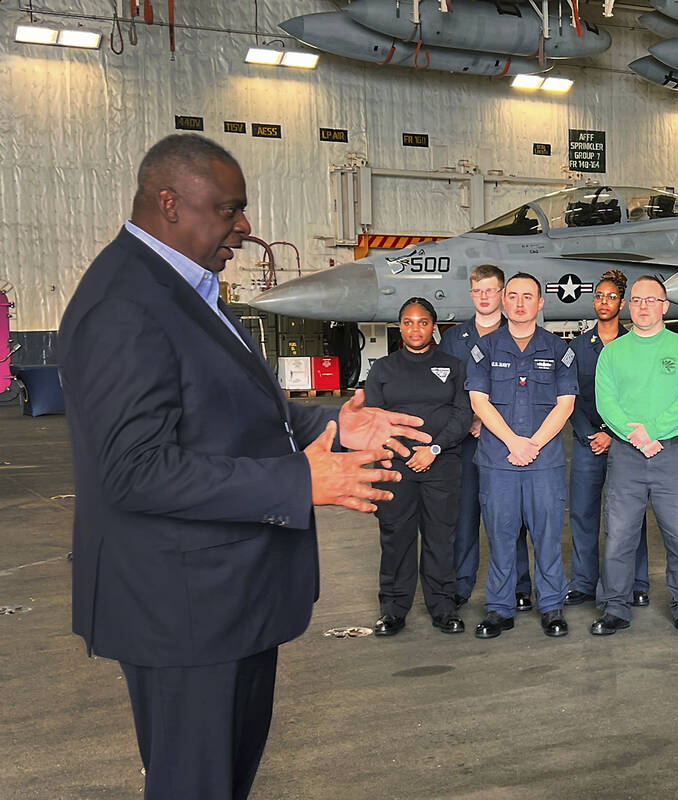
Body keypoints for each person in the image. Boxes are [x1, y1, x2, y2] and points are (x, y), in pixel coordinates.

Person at [58, 134, 427, 800]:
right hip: (184, 612)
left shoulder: (185, 289)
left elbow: (237, 413)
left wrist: (335, 424)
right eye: (228, 210)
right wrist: (299, 481)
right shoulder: (125, 304)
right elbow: (135, 469)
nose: (245, 226)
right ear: (169, 204)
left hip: (224, 600)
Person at [591, 276, 678, 638]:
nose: (643, 306)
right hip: (626, 457)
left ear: (665, 306)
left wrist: (651, 431)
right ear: (629, 305)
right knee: (619, 535)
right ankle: (615, 607)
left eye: (651, 300)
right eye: (637, 300)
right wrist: (635, 436)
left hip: (672, 455)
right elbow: (605, 402)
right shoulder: (613, 352)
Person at [466, 273, 577, 639]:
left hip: (543, 462)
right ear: (503, 299)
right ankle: (500, 608)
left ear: (541, 302)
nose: (518, 303)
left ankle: (551, 606)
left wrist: (532, 445)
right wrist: (514, 441)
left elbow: (565, 405)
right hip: (499, 461)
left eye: (527, 296)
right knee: (500, 535)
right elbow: (478, 401)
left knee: (546, 535)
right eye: (512, 295)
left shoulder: (559, 349)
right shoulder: (485, 348)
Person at [366, 297, 472, 636]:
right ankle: (393, 609)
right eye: (409, 322)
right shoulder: (382, 368)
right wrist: (391, 455)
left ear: (434, 326)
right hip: (395, 469)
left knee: (440, 538)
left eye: (422, 322)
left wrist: (434, 448)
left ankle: (443, 607)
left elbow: (462, 414)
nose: (416, 328)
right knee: (396, 538)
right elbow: (372, 418)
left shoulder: (453, 366)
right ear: (400, 326)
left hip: (440, 465)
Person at [439, 265, 535, 611]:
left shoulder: (519, 333)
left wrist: (492, 424)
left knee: (512, 517)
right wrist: (468, 420)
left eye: (491, 291)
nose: (484, 297)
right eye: (477, 291)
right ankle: (461, 585)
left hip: (507, 441)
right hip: (464, 441)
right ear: (471, 294)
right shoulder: (453, 339)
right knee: (464, 516)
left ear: (502, 294)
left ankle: (520, 586)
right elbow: (448, 388)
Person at [564, 269, 651, 608]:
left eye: (611, 297)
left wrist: (615, 437)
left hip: (626, 444)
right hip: (588, 444)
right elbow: (570, 395)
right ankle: (584, 582)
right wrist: (590, 434)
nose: (604, 302)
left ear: (623, 303)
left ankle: (636, 582)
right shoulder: (578, 348)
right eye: (599, 296)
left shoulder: (635, 345)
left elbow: (642, 397)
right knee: (583, 514)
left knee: (629, 515)